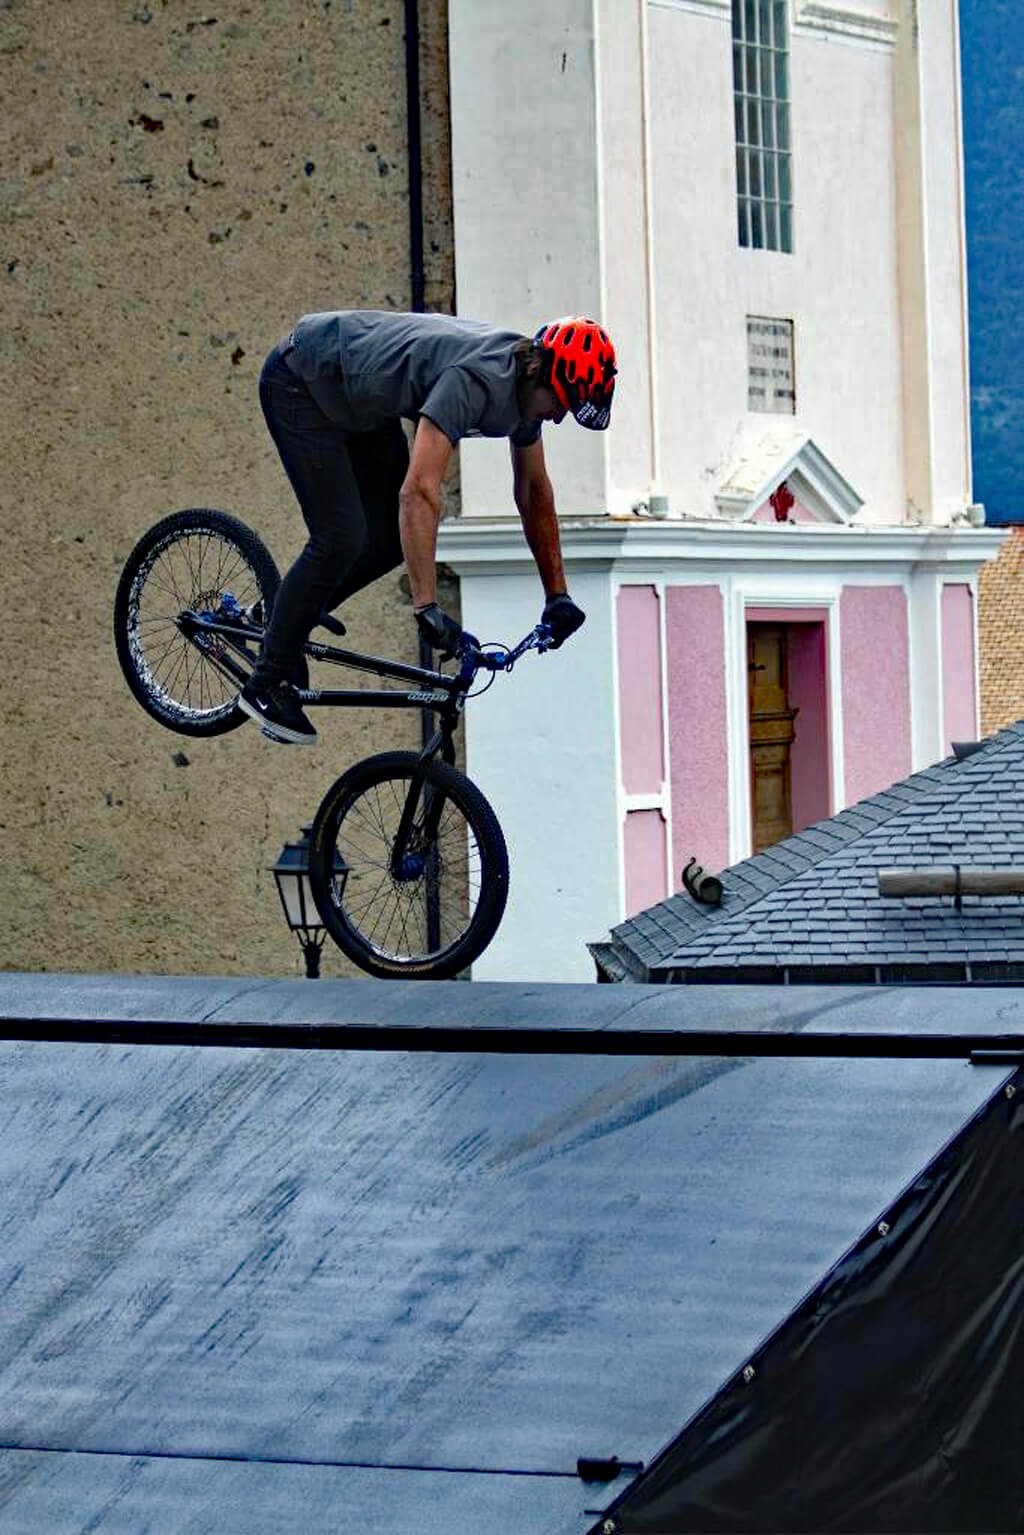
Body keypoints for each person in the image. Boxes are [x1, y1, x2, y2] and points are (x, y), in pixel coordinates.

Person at [238, 310, 618, 745]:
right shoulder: (474, 381)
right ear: (538, 370)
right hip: (303, 380)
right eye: (560, 403)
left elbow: (534, 491)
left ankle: (278, 618)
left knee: (385, 542)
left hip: (362, 402)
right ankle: (265, 684)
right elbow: (419, 491)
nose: (558, 417)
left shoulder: (530, 393)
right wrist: (427, 606)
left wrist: (558, 595)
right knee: (340, 535)